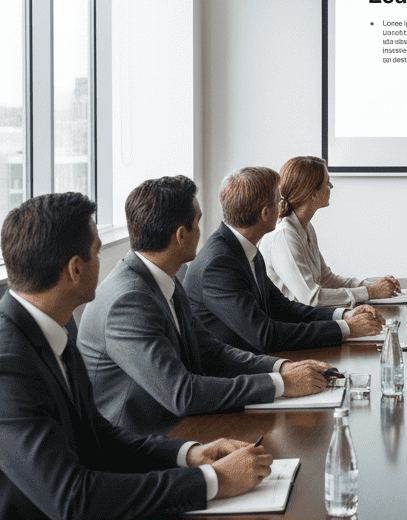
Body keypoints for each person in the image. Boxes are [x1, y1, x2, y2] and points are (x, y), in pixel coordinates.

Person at [0, 193, 270, 520]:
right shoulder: (9, 363)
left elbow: (99, 435)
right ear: (75, 269)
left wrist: (189, 454)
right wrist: (212, 481)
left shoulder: (53, 325)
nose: (105, 261)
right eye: (97, 251)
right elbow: (74, 498)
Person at [78, 176, 333, 436]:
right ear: (181, 235)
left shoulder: (163, 279)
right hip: (147, 440)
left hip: (179, 424)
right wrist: (280, 384)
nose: (203, 231)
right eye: (198, 222)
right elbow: (183, 393)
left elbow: (211, 351)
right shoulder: (128, 302)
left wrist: (281, 368)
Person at [185, 167, 385, 354]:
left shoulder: (244, 248)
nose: (283, 205)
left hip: (255, 358)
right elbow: (265, 335)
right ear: (265, 213)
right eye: (278, 200)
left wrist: (344, 315)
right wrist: (346, 328)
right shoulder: (219, 264)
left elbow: (282, 308)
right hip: (234, 370)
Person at [261, 156, 400, 308]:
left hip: (308, 316)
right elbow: (311, 298)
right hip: (292, 320)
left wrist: (370, 286)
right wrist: (369, 292)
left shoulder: (306, 227)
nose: (331, 186)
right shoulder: (284, 235)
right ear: (312, 193)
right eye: (327, 183)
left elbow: (326, 279)